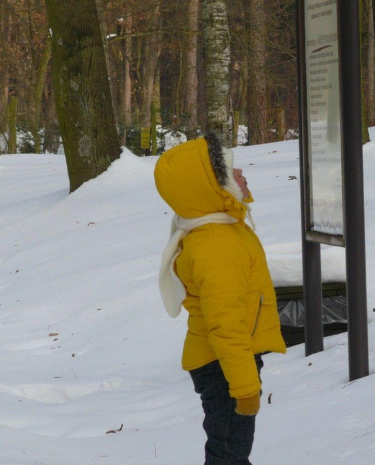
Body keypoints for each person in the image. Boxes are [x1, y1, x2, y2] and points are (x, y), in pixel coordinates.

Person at [154, 132, 286, 465]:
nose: (241, 174)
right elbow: (225, 324)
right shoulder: (216, 245)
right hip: (224, 365)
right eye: (231, 172)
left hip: (225, 361)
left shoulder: (219, 228)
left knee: (230, 452)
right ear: (214, 188)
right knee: (229, 456)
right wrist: (244, 386)